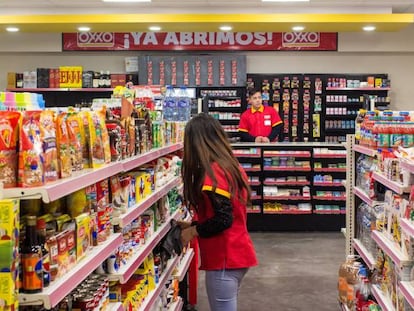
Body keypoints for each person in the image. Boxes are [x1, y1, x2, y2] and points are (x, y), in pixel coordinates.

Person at [178, 113, 258, 311]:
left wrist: (193, 232)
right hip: (236, 252)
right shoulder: (229, 166)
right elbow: (222, 212)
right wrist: (194, 224)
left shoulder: (213, 174)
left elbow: (223, 219)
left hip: (224, 258)